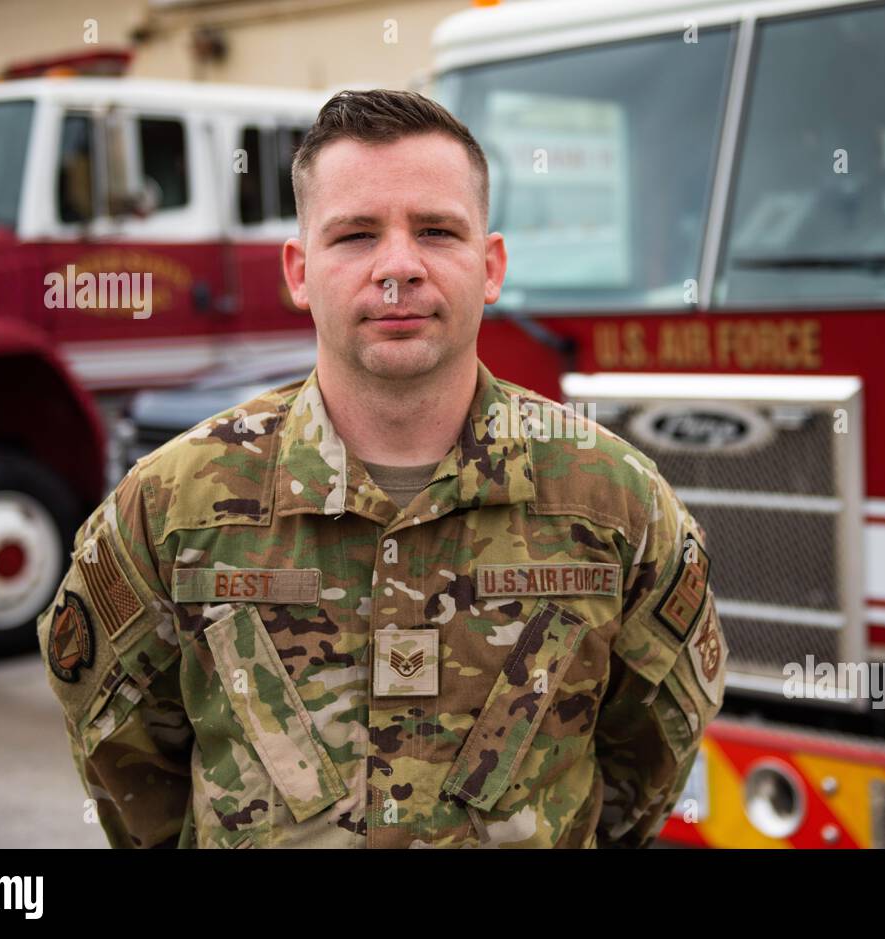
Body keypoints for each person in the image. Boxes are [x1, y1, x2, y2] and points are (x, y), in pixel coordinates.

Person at [36, 88, 727, 848]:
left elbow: (649, 754)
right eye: (357, 235)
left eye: (436, 230)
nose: (398, 268)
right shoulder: (171, 504)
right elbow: (124, 758)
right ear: (299, 271)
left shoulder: (616, 502)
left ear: (489, 266)